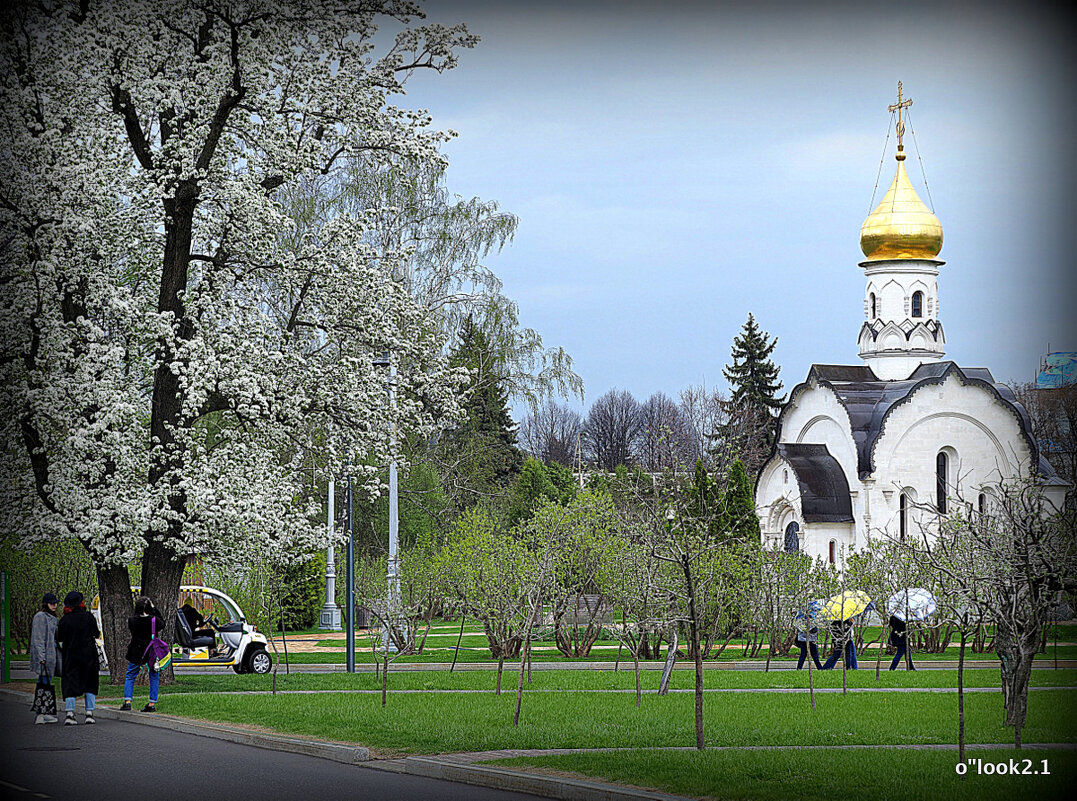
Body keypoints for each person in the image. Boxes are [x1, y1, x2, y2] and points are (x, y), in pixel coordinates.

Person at [55, 591, 99, 725]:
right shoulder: (88, 617)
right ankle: (89, 713)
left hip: (71, 655)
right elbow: (96, 634)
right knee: (90, 682)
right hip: (88, 654)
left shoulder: (64, 620)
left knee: (70, 683)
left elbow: (60, 639)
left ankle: (69, 713)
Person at [122, 596, 167, 712]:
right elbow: (163, 623)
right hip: (151, 650)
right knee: (154, 676)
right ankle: (152, 703)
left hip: (136, 649)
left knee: (130, 675)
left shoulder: (132, 620)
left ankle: (127, 701)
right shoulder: (154, 620)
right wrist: (154, 609)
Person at [30, 593, 61, 724]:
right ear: (46, 604)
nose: (54, 605)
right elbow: (38, 638)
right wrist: (42, 657)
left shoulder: (52, 618)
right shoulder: (40, 617)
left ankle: (46, 711)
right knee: (43, 684)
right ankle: (40, 713)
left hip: (51, 656)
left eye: (55, 603)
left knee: (46, 684)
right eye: (51, 603)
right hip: (45, 657)